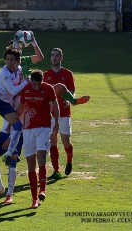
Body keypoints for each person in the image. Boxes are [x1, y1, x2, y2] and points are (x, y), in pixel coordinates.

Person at [17, 69, 59, 209]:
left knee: (41, 158)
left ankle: (43, 190)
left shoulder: (48, 89)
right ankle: (34, 199)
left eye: (38, 84)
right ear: (31, 82)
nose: (36, 87)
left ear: (42, 81)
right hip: (28, 129)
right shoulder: (26, 89)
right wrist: (11, 126)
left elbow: (55, 105)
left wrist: (57, 122)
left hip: (43, 128)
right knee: (30, 165)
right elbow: (21, 108)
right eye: (34, 84)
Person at [44, 48, 88, 179]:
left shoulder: (68, 74)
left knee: (65, 141)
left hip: (64, 113)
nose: (55, 58)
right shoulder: (46, 75)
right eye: (53, 55)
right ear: (50, 57)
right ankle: (56, 170)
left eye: (57, 56)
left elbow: (72, 91)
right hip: (51, 114)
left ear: (61, 58)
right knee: (52, 141)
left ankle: (69, 159)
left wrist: (70, 100)